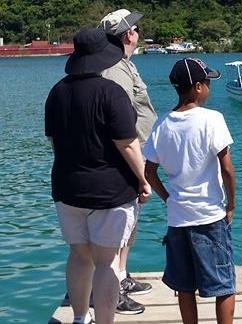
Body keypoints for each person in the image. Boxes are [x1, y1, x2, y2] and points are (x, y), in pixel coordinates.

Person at [44, 28, 151, 324]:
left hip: (67, 188)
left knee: (79, 256)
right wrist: (143, 180)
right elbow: (128, 144)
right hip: (110, 191)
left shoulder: (57, 92)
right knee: (106, 263)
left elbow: (54, 142)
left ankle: (80, 318)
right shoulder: (111, 92)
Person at [144, 58, 237, 324]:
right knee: (224, 283)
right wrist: (230, 205)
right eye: (207, 82)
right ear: (197, 87)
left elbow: (149, 172)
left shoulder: (161, 124)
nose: (209, 87)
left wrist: (169, 199)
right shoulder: (212, 119)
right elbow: (227, 169)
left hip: (178, 219)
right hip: (209, 216)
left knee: (184, 286)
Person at [99, 8, 157, 315]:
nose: (137, 32)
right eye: (134, 29)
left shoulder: (123, 64)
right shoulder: (115, 69)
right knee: (120, 226)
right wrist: (135, 165)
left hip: (135, 152)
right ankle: (114, 286)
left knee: (129, 223)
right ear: (128, 35)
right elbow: (118, 120)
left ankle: (122, 275)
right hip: (125, 156)